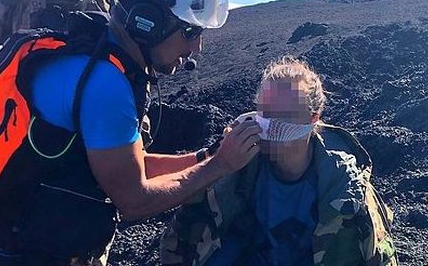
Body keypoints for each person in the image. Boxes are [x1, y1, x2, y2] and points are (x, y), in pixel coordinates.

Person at [0, 0, 261, 265]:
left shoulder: (102, 58)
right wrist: (221, 166)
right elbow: (134, 198)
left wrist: (207, 156)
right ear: (148, 20)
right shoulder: (107, 87)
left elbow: (126, 166)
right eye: (190, 31)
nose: (196, 47)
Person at [160, 57, 399, 266]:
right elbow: (185, 241)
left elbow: (380, 255)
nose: (271, 125)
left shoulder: (344, 188)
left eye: (284, 115)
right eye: (265, 113)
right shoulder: (237, 170)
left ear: (312, 118)